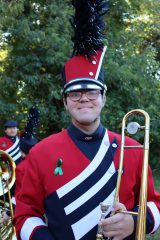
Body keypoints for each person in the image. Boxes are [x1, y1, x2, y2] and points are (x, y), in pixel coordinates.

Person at [13, 1, 160, 240]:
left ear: (103, 98)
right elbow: (25, 215)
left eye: (92, 92)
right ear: (65, 101)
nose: (84, 99)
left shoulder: (132, 148)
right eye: (74, 93)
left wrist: (135, 224)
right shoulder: (41, 153)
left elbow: (155, 202)